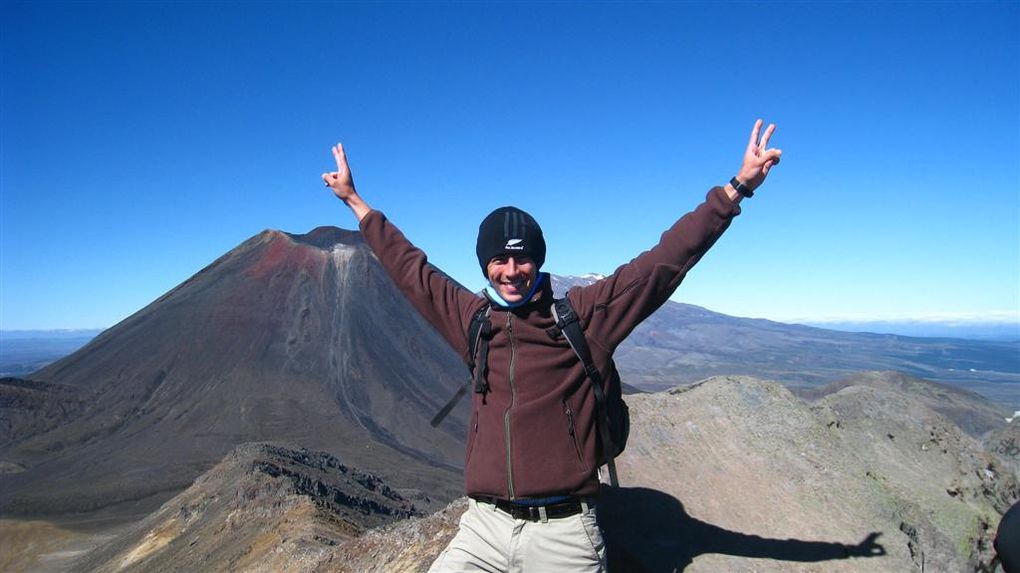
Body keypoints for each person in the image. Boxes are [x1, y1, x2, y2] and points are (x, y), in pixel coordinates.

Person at [321, 120, 782, 572]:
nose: (511, 270)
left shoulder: (583, 316)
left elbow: (663, 262)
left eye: (522, 258)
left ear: (538, 261)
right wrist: (356, 202)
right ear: (485, 265)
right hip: (482, 529)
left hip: (563, 536)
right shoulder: (473, 321)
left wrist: (736, 189)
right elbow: (411, 269)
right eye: (499, 259)